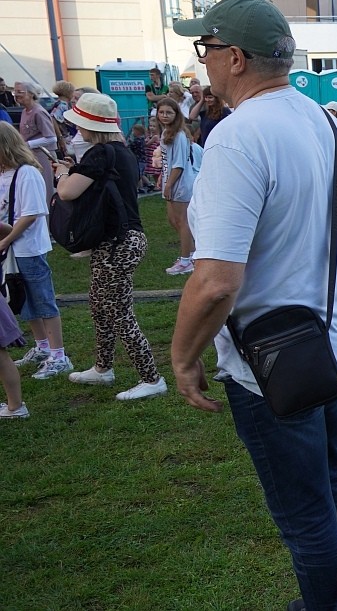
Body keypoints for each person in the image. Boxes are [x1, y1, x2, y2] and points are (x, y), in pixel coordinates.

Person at [171, 0, 337, 610]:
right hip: (328, 343)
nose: (203, 63)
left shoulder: (237, 138)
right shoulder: (328, 122)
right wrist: (330, 294)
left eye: (205, 50)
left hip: (270, 360)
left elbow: (215, 281)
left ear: (234, 58)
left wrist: (183, 358)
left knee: (304, 511)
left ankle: (332, 604)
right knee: (331, 478)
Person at [54, 93, 167, 400]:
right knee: (100, 305)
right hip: (123, 240)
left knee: (118, 312)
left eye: (81, 125)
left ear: (91, 126)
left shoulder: (100, 153)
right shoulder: (122, 152)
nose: (79, 131)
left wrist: (63, 172)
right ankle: (103, 368)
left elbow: (66, 192)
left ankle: (152, 377)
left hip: (117, 243)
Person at [0, 122, 71, 381]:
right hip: (11, 247)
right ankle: (42, 347)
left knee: (42, 300)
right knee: (23, 298)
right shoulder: (4, 173)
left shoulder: (26, 173)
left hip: (27, 247)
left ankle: (59, 355)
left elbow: (30, 213)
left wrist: (6, 240)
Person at [155, 98, 196, 276]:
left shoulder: (179, 135)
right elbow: (167, 161)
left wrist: (169, 183)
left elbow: (178, 163)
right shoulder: (166, 133)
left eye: (169, 112)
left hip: (180, 183)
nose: (164, 116)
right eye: (161, 112)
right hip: (170, 180)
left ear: (176, 114)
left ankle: (186, 260)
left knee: (183, 221)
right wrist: (162, 178)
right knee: (174, 221)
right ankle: (193, 254)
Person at [12, 82, 56, 202]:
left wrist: (28, 144)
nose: (16, 95)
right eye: (15, 92)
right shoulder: (24, 111)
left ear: (31, 94)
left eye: (20, 92)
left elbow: (51, 138)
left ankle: (49, 220)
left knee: (45, 191)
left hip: (43, 156)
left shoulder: (39, 112)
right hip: (31, 155)